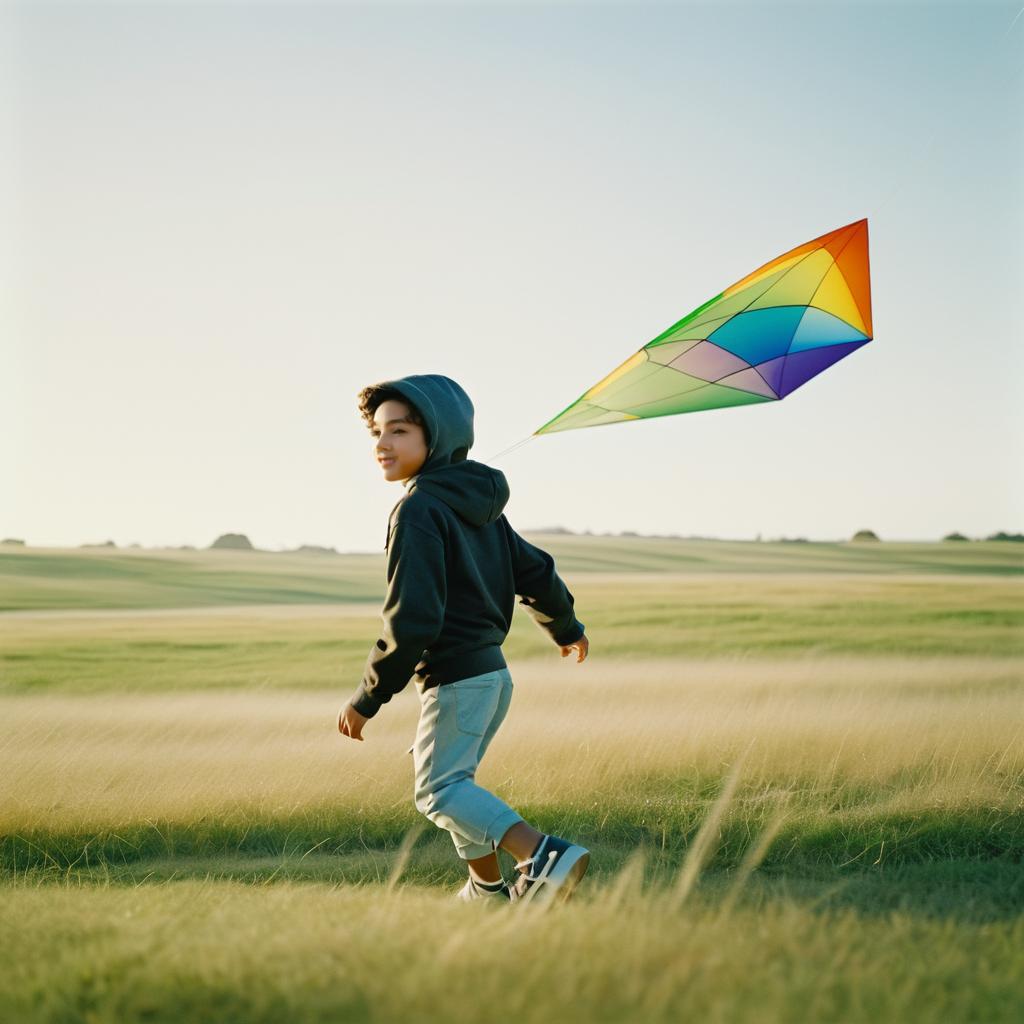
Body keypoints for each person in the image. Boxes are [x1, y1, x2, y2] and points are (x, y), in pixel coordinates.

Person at [337, 373, 590, 906]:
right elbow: (536, 570)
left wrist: (368, 698)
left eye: (400, 431)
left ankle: (541, 855)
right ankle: (486, 886)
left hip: (457, 677)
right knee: (456, 783)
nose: (382, 444)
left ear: (438, 435)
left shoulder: (419, 509)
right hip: (490, 678)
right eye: (378, 433)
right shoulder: (476, 503)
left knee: (438, 790)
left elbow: (412, 619)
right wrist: (565, 627)